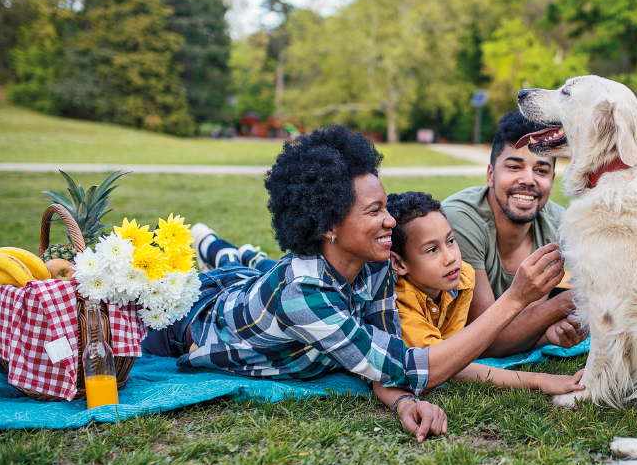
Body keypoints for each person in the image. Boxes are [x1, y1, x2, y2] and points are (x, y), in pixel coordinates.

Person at [142, 125, 566, 442]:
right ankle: (214, 250)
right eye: (375, 211)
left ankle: (221, 247)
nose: (390, 221)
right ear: (328, 225)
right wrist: (516, 299)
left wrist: (402, 401)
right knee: (187, 289)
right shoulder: (304, 297)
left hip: (254, 287)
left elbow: (383, 352)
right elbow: (418, 367)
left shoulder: (375, 262)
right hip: (190, 325)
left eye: (386, 207)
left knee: (253, 268)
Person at [386, 191, 585, 393]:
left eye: (450, 241)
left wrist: (544, 338)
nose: (450, 258)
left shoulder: (462, 278)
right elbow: (442, 366)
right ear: (398, 263)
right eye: (432, 250)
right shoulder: (399, 302)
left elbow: (458, 348)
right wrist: (538, 380)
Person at [442, 112, 584, 357]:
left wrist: (547, 334)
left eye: (541, 171)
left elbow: (530, 321)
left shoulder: (558, 224)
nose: (528, 180)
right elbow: (485, 340)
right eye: (514, 167)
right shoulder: (460, 221)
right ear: (490, 174)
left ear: (552, 179)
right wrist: (567, 302)